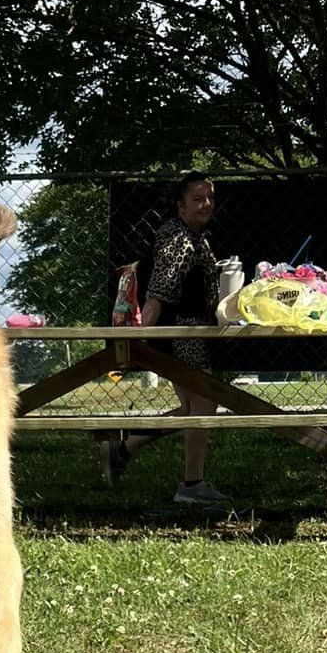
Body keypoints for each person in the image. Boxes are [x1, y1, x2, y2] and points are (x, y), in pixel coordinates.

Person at [101, 171, 231, 510]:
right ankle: (192, 485)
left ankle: (122, 450)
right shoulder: (179, 239)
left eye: (210, 198)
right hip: (181, 336)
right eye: (197, 199)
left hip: (187, 333)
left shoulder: (193, 236)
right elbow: (158, 294)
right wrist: (140, 341)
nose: (206, 204)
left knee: (191, 408)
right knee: (203, 406)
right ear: (180, 205)